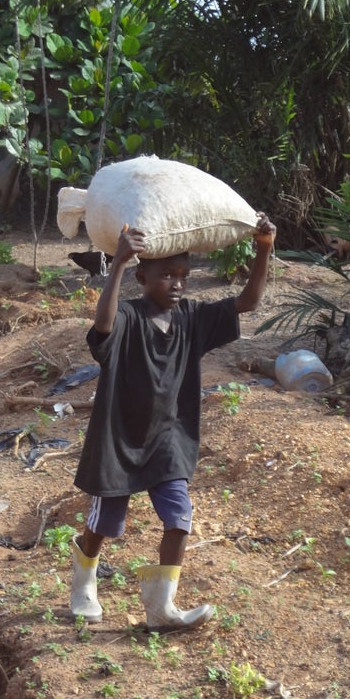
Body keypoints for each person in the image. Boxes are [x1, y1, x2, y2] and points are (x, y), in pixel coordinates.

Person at [71, 213, 276, 630]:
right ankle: (84, 578)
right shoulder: (127, 317)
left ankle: (161, 607)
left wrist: (264, 249)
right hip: (120, 438)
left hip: (169, 439)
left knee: (180, 518)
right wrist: (121, 263)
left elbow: (248, 302)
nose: (178, 284)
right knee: (105, 523)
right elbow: (103, 326)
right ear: (143, 279)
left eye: (184, 275)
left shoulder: (193, 319)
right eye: (166, 275)